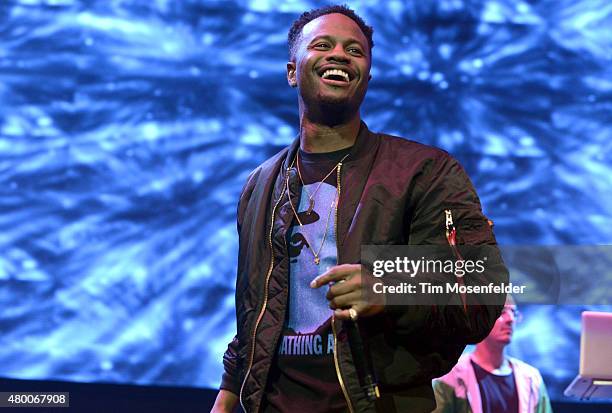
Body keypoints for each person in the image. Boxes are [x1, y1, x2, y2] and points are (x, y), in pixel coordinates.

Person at [211, 5, 508, 413]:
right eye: (322, 45)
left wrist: (391, 286)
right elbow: (255, 310)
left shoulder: (425, 171)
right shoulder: (260, 184)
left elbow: (484, 286)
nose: (339, 55)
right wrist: (227, 398)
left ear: (366, 76)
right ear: (292, 71)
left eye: (355, 51)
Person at [432, 297, 553, 413]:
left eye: (514, 312)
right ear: (479, 318)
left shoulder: (532, 379)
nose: (510, 319)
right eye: (501, 312)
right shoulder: (450, 377)